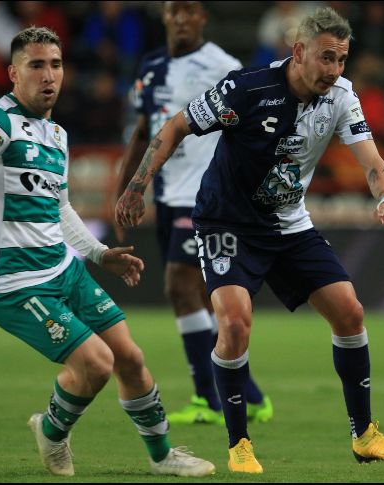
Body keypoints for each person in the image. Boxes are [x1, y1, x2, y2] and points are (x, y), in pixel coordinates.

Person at [116, 7, 384, 474]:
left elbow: (373, 163)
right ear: (298, 52)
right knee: (234, 324)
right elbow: (175, 126)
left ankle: (365, 435)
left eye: (341, 60)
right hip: (226, 223)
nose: (334, 70)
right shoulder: (245, 89)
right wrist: (137, 185)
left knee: (350, 311)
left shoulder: (341, 96)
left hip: (288, 223)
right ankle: (239, 444)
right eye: (325, 58)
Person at [0, 27, 215, 478]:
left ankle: (162, 457)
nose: (49, 76)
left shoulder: (57, 135)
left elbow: (60, 208)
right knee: (97, 364)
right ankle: (54, 432)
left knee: (131, 360)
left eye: (56, 65)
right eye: (36, 65)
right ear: (13, 74)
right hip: (16, 284)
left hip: (64, 270)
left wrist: (100, 254)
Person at [116, 0, 272, 426]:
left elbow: (250, 126)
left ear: (203, 17)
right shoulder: (150, 66)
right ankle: (251, 395)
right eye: (174, 11)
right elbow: (142, 132)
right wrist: (125, 189)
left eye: (190, 11)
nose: (182, 19)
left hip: (206, 195)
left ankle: (208, 398)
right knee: (203, 299)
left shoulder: (223, 65)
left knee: (179, 287)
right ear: (164, 17)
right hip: (167, 195)